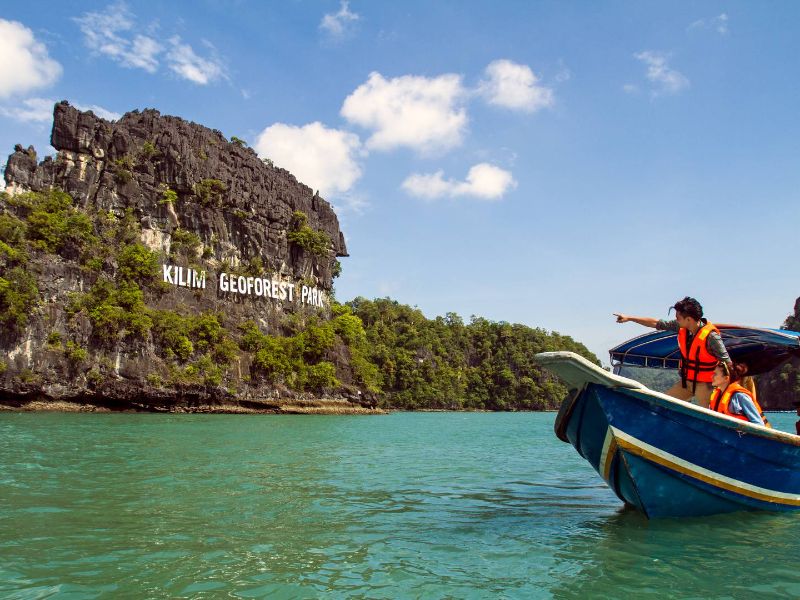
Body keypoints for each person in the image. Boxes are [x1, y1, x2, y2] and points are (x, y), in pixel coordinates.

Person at [613, 297, 732, 407]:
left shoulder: (712, 337)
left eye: (678, 318)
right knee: (663, 404)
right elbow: (656, 323)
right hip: (687, 382)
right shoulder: (681, 326)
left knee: (709, 417)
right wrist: (629, 318)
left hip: (705, 385)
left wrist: (726, 389)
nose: (676, 320)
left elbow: (728, 364)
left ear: (689, 319)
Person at [709, 362, 771, 427]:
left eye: (715, 374)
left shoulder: (740, 396)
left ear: (726, 378)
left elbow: (758, 424)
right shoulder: (717, 395)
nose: (711, 376)